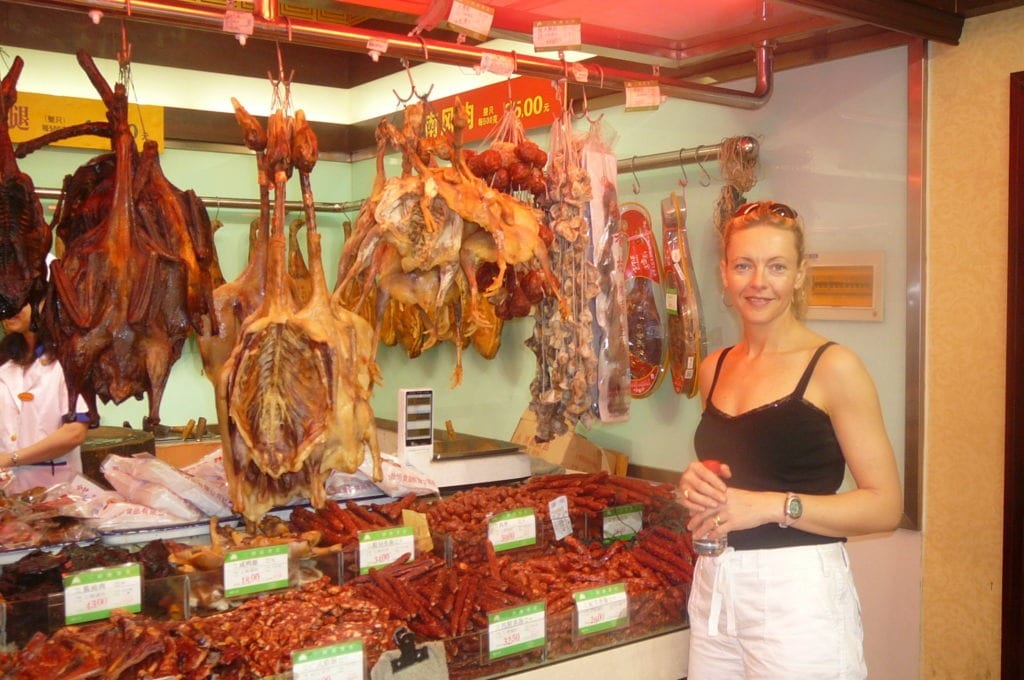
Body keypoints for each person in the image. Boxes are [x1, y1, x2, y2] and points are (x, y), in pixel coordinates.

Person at [677, 200, 902, 679]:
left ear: (800, 274)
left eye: (776, 266)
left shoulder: (834, 367)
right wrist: (698, 488)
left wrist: (771, 506)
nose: (759, 282)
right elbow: (735, 477)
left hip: (799, 596)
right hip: (716, 583)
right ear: (724, 273)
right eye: (744, 265)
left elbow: (885, 506)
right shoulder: (715, 366)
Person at [0, 301, 90, 493]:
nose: (8, 310)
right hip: (7, 492)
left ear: (43, 305)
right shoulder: (4, 362)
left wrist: (11, 458)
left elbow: (74, 433)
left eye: (18, 302)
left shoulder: (70, 361)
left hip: (56, 491)